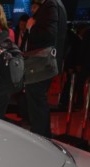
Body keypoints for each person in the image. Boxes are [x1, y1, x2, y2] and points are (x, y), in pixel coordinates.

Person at [24, 0, 67, 138]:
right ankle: (44, 136)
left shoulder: (50, 4)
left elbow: (49, 34)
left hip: (41, 62)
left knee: (36, 99)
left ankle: (39, 137)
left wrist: (31, 27)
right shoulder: (57, 5)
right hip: (47, 62)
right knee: (38, 99)